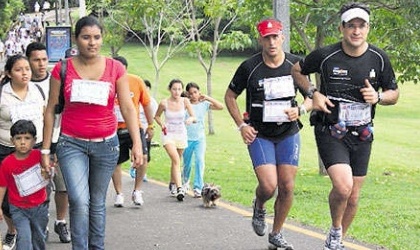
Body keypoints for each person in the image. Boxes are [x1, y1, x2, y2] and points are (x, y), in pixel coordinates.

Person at [291, 3, 399, 250]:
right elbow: (296, 70)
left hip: (362, 133)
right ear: (342, 28)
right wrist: (312, 92)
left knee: (353, 195)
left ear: (368, 28)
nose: (356, 31)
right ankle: (337, 229)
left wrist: (379, 98)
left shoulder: (379, 58)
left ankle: (335, 238)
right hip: (331, 129)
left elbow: (394, 92)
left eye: (361, 26)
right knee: (343, 186)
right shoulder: (326, 55)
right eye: (351, 25)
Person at [41, 16, 143, 249]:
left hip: (106, 144)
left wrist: (137, 143)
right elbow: (50, 110)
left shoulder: (115, 68)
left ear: (102, 39)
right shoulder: (62, 68)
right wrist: (46, 149)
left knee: (97, 202)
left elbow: (127, 107)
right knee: (78, 200)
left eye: (97, 37)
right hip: (71, 144)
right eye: (86, 37)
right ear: (77, 39)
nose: (92, 42)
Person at [224, 18, 312, 250]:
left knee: (287, 186)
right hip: (259, 134)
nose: (272, 42)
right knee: (268, 185)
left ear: (282, 37)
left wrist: (301, 109)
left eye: (275, 37)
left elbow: (312, 95)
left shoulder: (296, 64)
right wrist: (241, 126)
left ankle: (277, 233)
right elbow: (230, 96)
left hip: (288, 132)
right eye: (267, 37)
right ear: (260, 39)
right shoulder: (249, 67)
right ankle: (260, 205)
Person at [26, 42, 71, 243]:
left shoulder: (57, 79)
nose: (41, 64)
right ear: (28, 60)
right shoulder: (23, 84)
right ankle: (41, 225)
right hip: (34, 145)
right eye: (36, 60)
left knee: (63, 186)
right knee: (40, 189)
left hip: (59, 140)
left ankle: (60, 222)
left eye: (44, 59)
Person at [0, 54, 46, 250]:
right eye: (19, 69)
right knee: (9, 200)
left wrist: (47, 148)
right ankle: (14, 229)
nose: (25, 73)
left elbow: (46, 116)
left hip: (35, 149)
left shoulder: (38, 91)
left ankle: (37, 227)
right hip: (6, 150)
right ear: (9, 73)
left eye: (27, 68)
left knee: (38, 190)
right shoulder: (3, 95)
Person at [111, 56, 155, 207]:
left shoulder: (135, 81)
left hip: (134, 127)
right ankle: (119, 193)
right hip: (113, 129)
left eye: (121, 69)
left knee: (142, 156)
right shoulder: (106, 82)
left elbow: (147, 104)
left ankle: (137, 191)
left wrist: (150, 125)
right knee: (115, 162)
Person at [0, 120, 49, 249]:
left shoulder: (39, 157)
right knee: (24, 241)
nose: (22, 142)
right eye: (18, 138)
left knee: (39, 239)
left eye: (27, 138)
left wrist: (48, 172)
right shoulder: (6, 163)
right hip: (18, 208)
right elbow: (2, 186)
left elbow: (50, 172)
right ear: (12, 141)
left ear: (34, 140)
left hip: (39, 207)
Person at [154, 79, 196, 201]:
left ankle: (172, 183)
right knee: (176, 160)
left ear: (182, 90)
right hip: (168, 135)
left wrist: (190, 119)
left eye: (179, 89)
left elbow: (194, 116)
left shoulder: (185, 101)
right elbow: (156, 116)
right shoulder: (164, 103)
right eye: (174, 89)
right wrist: (162, 125)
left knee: (175, 161)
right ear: (169, 89)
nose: (177, 92)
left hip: (181, 134)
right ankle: (179, 188)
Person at [182, 82, 223, 197]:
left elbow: (220, 106)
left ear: (199, 92)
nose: (193, 95)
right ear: (187, 94)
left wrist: (207, 97)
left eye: (195, 92)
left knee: (200, 161)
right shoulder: (185, 104)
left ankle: (198, 187)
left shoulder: (204, 104)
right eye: (190, 93)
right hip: (187, 138)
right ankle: (184, 184)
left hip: (200, 138)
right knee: (187, 163)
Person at [135, 79, 159, 182]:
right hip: (136, 129)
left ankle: (142, 172)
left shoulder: (152, 102)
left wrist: (151, 127)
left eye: (146, 87)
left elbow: (154, 116)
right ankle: (135, 169)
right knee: (137, 152)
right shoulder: (135, 100)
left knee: (146, 154)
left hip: (147, 129)